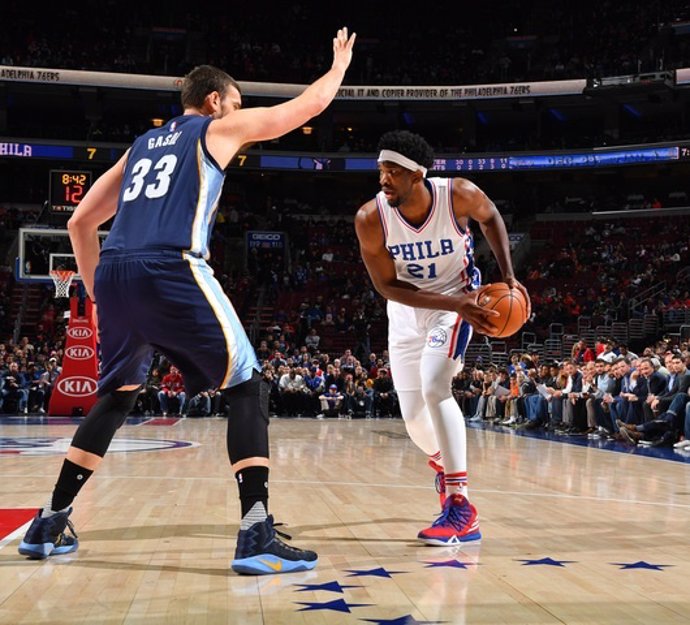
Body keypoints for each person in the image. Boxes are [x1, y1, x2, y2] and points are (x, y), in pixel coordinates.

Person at [18, 27, 356, 575]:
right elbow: (310, 104)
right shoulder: (216, 128)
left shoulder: (139, 147)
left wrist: (98, 296)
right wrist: (339, 65)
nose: (238, 117)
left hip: (116, 276)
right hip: (170, 266)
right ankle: (256, 531)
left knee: (119, 396)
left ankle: (49, 521)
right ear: (215, 100)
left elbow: (81, 222)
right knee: (247, 385)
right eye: (235, 105)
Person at [354, 130, 530, 545]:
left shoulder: (459, 195)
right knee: (415, 420)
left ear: (417, 175)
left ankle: (460, 506)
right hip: (405, 311)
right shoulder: (370, 218)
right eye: (381, 169)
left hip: (459, 301)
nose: (384, 178)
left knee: (437, 386)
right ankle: (442, 463)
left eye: (393, 171)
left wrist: (508, 277)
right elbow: (386, 286)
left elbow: (490, 217)